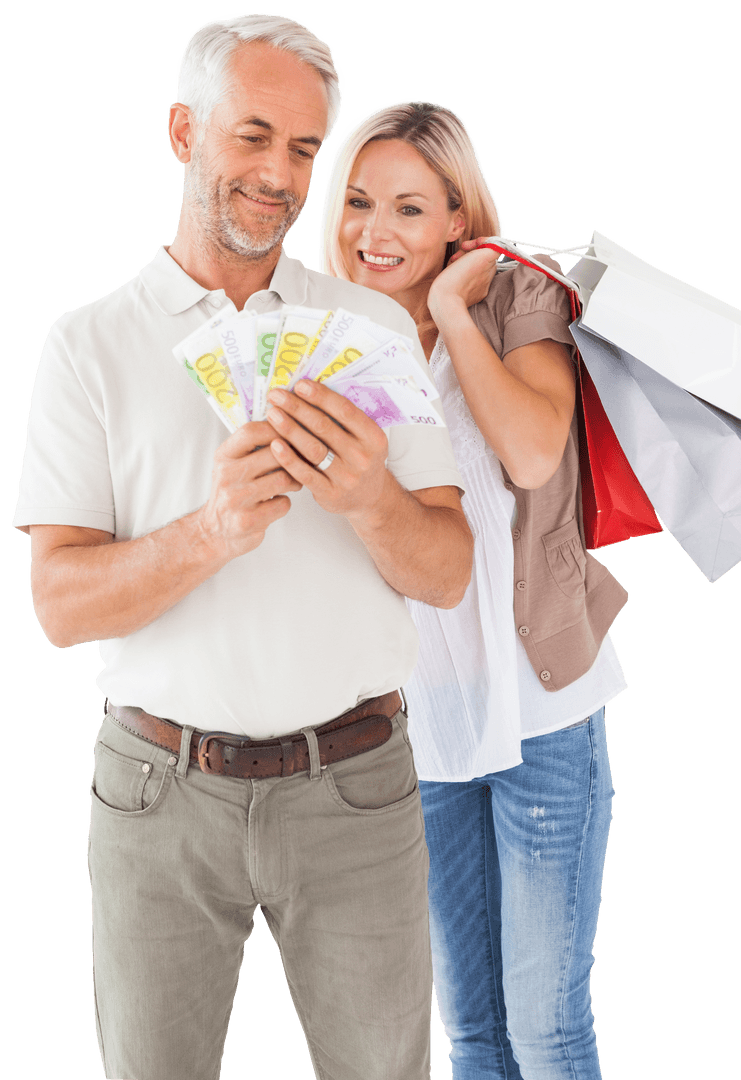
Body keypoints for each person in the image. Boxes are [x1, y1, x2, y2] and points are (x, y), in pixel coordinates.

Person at [12, 20, 474, 1080]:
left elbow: (444, 570)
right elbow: (57, 604)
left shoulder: (368, 328)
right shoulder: (89, 345)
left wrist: (367, 499)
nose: (278, 175)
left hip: (359, 788)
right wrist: (210, 532)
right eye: (253, 135)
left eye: (306, 150)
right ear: (184, 131)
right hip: (156, 796)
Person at [320, 99, 630, 1080]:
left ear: (459, 217)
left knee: (545, 1028)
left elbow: (538, 453)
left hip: (544, 714)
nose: (378, 232)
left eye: (411, 208)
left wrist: (454, 313)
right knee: (473, 1031)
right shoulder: (331, 342)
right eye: (361, 202)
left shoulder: (514, 307)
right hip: (419, 732)